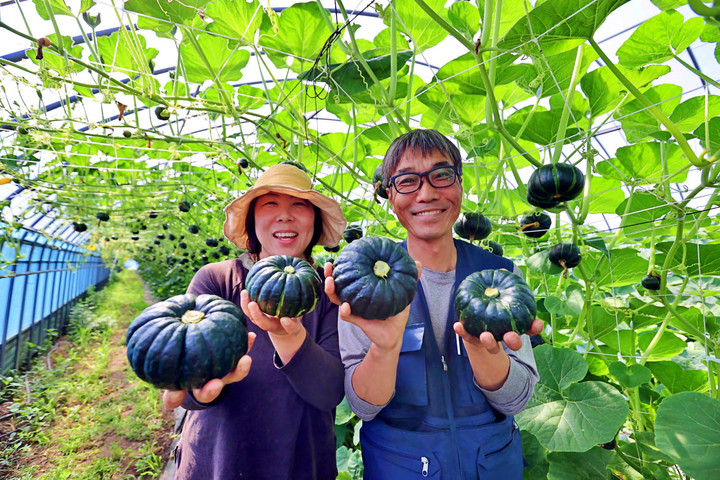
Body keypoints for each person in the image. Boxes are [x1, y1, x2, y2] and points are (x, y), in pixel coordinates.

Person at [324, 129, 543, 479]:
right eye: (408, 181)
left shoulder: (501, 275)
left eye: (442, 175)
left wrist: (483, 351)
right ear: (390, 195)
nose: (426, 193)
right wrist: (385, 347)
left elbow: (516, 401)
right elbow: (364, 406)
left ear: (460, 185)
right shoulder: (364, 285)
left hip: (490, 464)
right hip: (402, 466)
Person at [163, 163, 348, 480]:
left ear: (315, 221)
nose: (285, 216)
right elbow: (189, 372)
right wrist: (199, 392)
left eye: (299, 205)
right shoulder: (218, 281)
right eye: (270, 204)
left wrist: (290, 339)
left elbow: (329, 392)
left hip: (302, 465)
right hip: (218, 463)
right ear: (252, 221)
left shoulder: (329, 290)